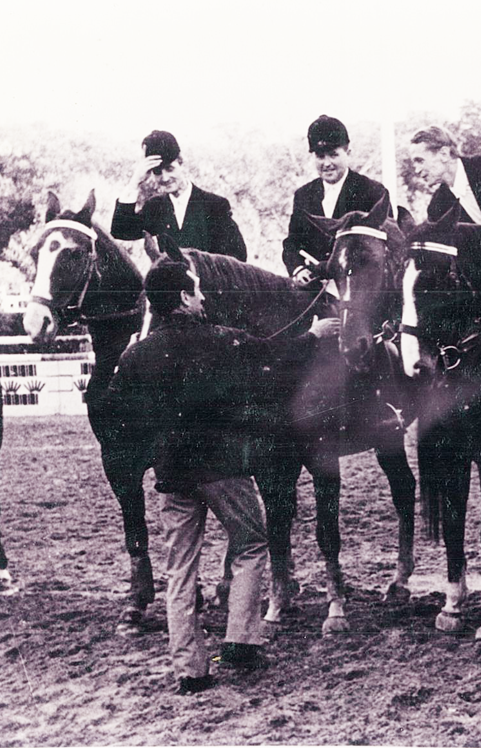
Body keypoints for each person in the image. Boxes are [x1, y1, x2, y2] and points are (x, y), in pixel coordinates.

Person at [105, 259, 338, 694]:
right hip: (222, 468)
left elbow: (115, 411)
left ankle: (190, 669)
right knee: (251, 543)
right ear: (183, 299)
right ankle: (241, 641)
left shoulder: (136, 355)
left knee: (179, 570)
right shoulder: (221, 341)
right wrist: (314, 335)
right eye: (197, 291)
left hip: (171, 475)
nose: (204, 297)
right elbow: (274, 354)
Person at [282, 115, 392, 285]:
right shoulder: (303, 195)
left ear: (348, 153)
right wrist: (298, 269)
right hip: (314, 288)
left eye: (333, 155)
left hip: (358, 290)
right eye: (320, 156)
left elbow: (384, 249)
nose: (327, 163)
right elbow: (292, 243)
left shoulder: (373, 191)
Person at [111, 130, 247, 261]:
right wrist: (135, 182)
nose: (165, 178)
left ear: (181, 162)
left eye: (170, 169)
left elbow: (237, 257)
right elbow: (121, 231)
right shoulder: (156, 206)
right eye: (157, 172)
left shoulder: (214, 205)